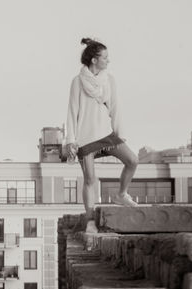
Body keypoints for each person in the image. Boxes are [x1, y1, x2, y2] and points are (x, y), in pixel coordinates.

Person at [66, 38, 139, 233]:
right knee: (90, 179)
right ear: (93, 60)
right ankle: (90, 221)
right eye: (105, 57)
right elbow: (72, 112)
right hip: (85, 137)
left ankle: (121, 195)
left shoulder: (109, 79)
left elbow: (115, 106)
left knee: (132, 160)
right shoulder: (77, 82)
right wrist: (70, 141)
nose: (108, 61)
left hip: (106, 133)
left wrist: (120, 133)